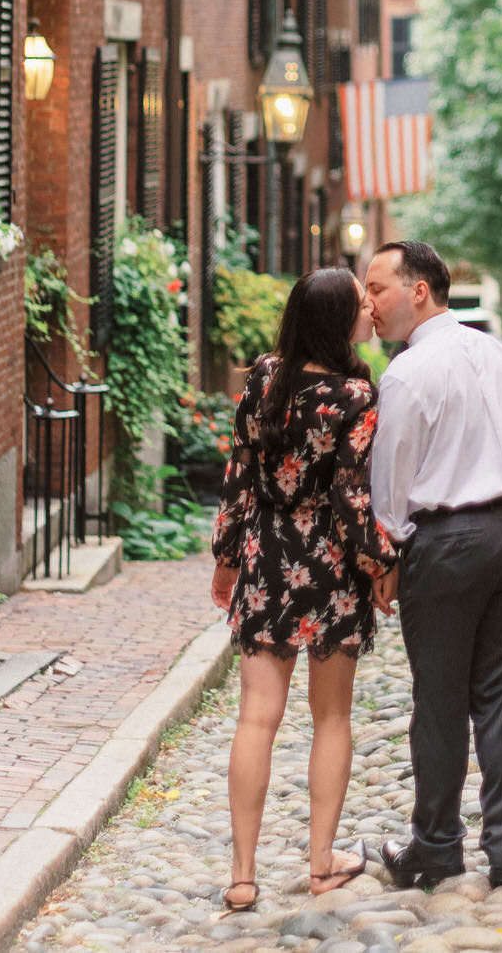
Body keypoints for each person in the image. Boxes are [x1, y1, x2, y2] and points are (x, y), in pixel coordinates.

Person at [210, 267, 397, 914]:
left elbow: (237, 472)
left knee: (255, 717)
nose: (369, 310)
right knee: (332, 717)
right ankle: (321, 862)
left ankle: (241, 874)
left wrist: (226, 556)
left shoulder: (263, 377)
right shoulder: (355, 395)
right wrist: (379, 566)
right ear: (337, 319)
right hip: (330, 567)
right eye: (359, 302)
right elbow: (351, 498)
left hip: (266, 556)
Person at [364, 240, 502, 890]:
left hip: (444, 540)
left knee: (439, 699)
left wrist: (385, 550)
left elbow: (391, 476)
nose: (370, 302)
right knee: (500, 692)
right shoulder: (498, 355)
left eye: (378, 286)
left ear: (419, 289)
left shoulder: (408, 373)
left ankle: (437, 846)